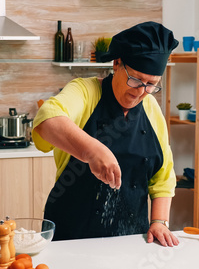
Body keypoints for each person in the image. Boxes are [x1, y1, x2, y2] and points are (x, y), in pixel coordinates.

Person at [32, 21, 179, 247]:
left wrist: (159, 221)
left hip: (132, 239)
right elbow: (47, 119)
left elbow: (163, 176)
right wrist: (92, 150)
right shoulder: (85, 91)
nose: (141, 92)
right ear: (117, 63)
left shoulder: (151, 108)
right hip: (71, 237)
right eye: (136, 80)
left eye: (151, 84)